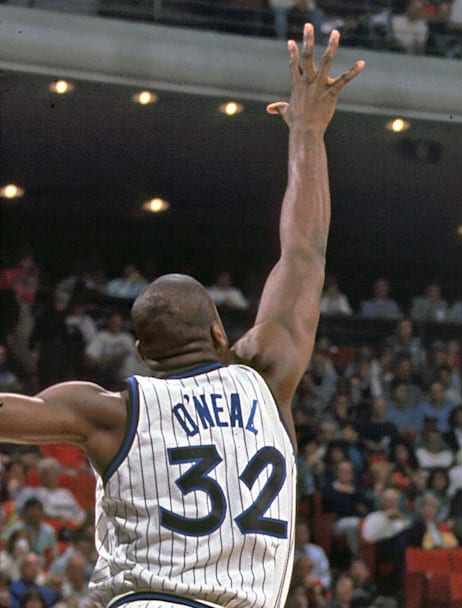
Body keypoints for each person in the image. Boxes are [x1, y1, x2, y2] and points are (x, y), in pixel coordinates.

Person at [0, 24, 364, 608]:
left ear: (143, 353)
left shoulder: (109, 411)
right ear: (220, 331)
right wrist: (307, 132)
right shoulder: (267, 374)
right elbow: (305, 250)